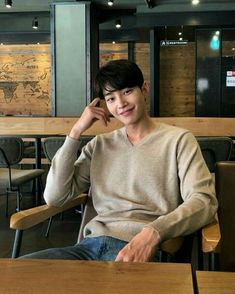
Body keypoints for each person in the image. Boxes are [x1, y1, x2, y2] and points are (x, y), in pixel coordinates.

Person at [22, 59, 217, 262]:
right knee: (17, 274)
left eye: (127, 91)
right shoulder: (99, 145)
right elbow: (54, 197)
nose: (121, 104)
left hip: (141, 249)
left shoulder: (178, 140)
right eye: (111, 98)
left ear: (144, 89)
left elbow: (204, 201)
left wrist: (154, 232)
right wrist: (75, 132)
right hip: (88, 248)